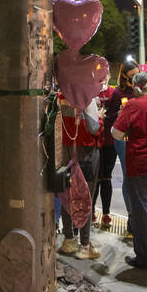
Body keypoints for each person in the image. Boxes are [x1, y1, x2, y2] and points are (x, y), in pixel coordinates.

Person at [113, 72, 147, 269]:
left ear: (136, 86)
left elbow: (116, 132)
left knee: (140, 212)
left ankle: (144, 257)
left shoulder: (133, 105)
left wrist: (129, 130)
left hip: (139, 165)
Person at [57, 84, 104, 260]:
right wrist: (99, 117)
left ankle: (69, 240)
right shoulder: (86, 98)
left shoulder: (59, 97)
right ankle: (85, 246)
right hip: (85, 153)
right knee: (85, 196)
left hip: (64, 152)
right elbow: (93, 128)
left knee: (67, 195)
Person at [98, 61, 138, 229]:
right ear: (124, 75)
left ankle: (141, 214)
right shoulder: (117, 93)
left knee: (140, 177)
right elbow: (109, 117)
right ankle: (131, 216)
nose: (136, 79)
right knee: (128, 176)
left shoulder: (140, 90)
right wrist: (121, 113)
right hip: (122, 139)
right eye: (133, 75)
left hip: (139, 138)